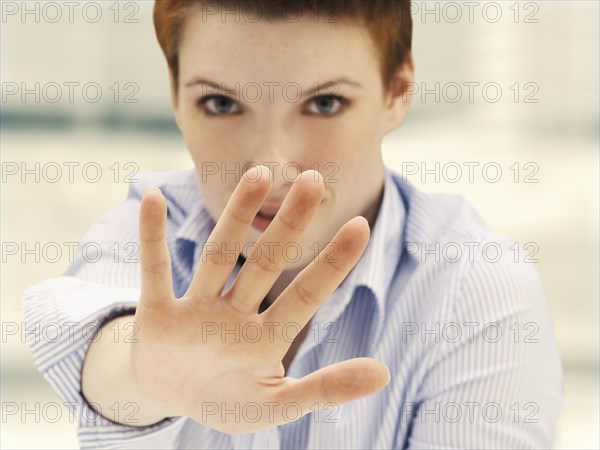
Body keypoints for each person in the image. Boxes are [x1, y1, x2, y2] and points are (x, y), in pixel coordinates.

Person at [23, 0, 564, 448]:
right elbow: (96, 343)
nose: (270, 167)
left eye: (325, 103)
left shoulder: (476, 283)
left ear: (397, 92)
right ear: (174, 95)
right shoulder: (147, 230)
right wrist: (148, 378)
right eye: (220, 102)